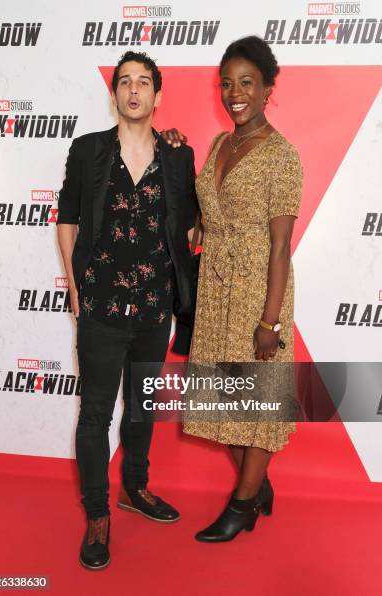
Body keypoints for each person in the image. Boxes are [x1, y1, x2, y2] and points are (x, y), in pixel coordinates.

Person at [57, 50, 197, 569]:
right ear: (114, 94)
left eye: (144, 83)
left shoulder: (179, 156)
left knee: (141, 409)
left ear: (158, 96)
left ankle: (134, 489)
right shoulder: (89, 150)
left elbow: (191, 224)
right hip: (100, 306)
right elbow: (67, 219)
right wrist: (75, 287)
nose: (134, 90)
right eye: (124, 82)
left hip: (155, 309)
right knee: (95, 414)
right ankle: (98, 513)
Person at [181, 36, 303, 542]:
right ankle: (259, 485)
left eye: (246, 83)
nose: (235, 93)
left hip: (259, 291)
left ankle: (243, 503)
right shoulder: (217, 146)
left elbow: (279, 248)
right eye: (227, 84)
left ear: (268, 88)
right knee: (222, 400)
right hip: (215, 291)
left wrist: (269, 321)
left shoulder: (283, 156)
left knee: (257, 403)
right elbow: (208, 212)